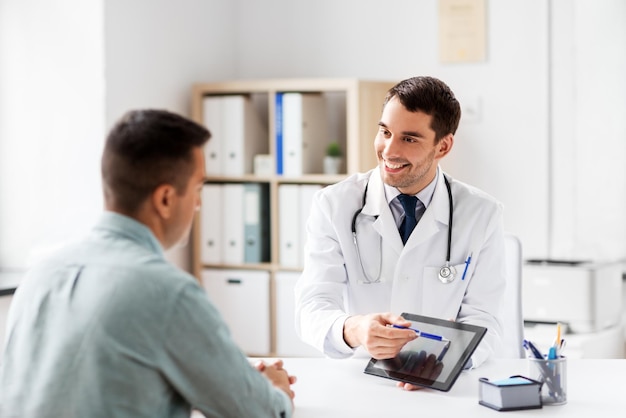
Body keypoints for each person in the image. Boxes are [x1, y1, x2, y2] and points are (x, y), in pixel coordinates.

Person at [0, 109, 296, 417]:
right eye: (197, 189)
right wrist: (274, 388)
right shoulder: (168, 293)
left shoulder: (42, 275)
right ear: (166, 199)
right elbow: (259, 413)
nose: (199, 204)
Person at [295, 76, 505, 390]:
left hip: (440, 385)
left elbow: (485, 318)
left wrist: (443, 359)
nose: (389, 150)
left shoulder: (481, 214)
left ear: (443, 145)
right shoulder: (334, 205)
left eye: (409, 138)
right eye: (385, 132)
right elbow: (312, 307)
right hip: (358, 382)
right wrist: (355, 329)